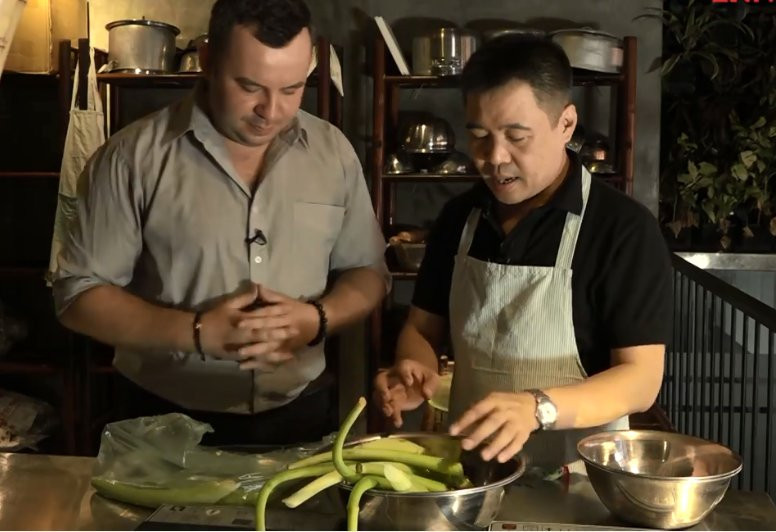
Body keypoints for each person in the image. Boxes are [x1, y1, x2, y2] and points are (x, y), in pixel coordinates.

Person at [52, 0, 389, 445]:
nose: (271, 110)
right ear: (209, 60)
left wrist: (317, 319)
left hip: (301, 415)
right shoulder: (131, 157)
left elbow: (367, 270)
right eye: (250, 86)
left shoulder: (333, 152)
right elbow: (78, 295)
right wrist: (196, 333)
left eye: (292, 89)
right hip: (163, 422)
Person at [374, 35, 671, 472]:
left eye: (517, 136)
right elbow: (422, 327)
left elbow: (640, 380)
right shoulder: (459, 218)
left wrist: (537, 407)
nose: (495, 157)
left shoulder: (622, 229)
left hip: (581, 476)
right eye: (479, 136)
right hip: (471, 471)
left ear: (566, 124)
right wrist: (414, 367)